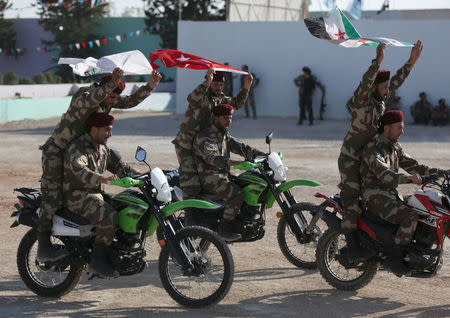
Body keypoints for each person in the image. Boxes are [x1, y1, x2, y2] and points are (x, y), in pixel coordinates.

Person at [37, 68, 162, 262]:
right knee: (53, 195)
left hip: (83, 148)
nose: (113, 102)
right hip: (58, 150)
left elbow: (128, 101)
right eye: (111, 97)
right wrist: (112, 83)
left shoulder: (107, 99)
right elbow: (94, 97)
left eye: (114, 98)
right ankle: (43, 245)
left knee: (107, 172)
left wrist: (150, 86)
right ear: (105, 88)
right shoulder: (85, 97)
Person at [338, 41, 423, 234]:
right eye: (384, 87)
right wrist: (377, 61)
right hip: (351, 157)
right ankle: (350, 244)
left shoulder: (380, 100)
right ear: (374, 87)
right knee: (352, 201)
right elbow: (366, 82)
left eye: (386, 88)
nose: (388, 91)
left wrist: (411, 62)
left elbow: (396, 82)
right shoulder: (362, 101)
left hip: (370, 156)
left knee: (374, 198)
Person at [360, 110, 447, 276]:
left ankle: (418, 250)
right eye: (399, 128)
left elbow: (415, 167)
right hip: (374, 195)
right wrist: (409, 180)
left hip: (390, 194)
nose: (402, 131)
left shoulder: (395, 147)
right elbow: (384, 175)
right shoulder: (374, 148)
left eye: (402, 127)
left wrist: (442, 172)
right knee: (411, 216)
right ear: (387, 128)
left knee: (422, 203)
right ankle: (395, 257)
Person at [64, 112, 138, 278]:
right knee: (108, 214)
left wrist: (144, 176)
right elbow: (79, 169)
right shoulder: (78, 148)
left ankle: (114, 252)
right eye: (107, 130)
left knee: (125, 206)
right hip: (76, 195)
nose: (110, 134)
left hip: (94, 194)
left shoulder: (103, 148)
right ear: (94, 129)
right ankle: (97, 262)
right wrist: (102, 179)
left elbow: (122, 168)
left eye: (110, 130)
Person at [172, 68, 253, 199]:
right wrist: (206, 82)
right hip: (187, 144)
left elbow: (236, 104)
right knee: (191, 183)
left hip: (204, 143)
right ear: (209, 83)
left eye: (221, 85)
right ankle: (190, 213)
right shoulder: (201, 97)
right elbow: (191, 99)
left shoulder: (220, 98)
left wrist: (246, 88)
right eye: (215, 84)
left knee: (212, 177)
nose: (219, 87)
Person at [193, 104, 265, 242]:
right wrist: (237, 163)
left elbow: (242, 148)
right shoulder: (206, 137)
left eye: (230, 118)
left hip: (221, 175)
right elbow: (213, 158)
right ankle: (224, 229)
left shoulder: (223, 134)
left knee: (248, 183)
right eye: (225, 118)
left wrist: (265, 156)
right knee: (237, 193)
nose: (229, 121)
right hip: (208, 176)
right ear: (216, 118)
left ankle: (243, 220)